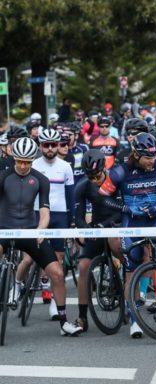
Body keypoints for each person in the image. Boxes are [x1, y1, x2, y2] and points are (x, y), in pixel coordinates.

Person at [99, 132, 156, 338]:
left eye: (154, 156)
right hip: (132, 223)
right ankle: (134, 320)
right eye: (148, 157)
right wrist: (127, 210)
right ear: (136, 155)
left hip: (154, 219)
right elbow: (103, 197)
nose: (152, 161)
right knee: (132, 269)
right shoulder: (120, 172)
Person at [0, 137, 82, 336]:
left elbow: (44, 211)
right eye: (19, 161)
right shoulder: (3, 176)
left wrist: (40, 230)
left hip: (30, 230)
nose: (22, 166)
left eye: (27, 162)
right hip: (3, 229)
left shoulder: (40, 179)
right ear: (13, 157)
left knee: (57, 273)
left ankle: (63, 322)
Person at [28, 128, 75, 317]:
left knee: (58, 259)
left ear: (58, 146)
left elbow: (70, 197)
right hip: (36, 213)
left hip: (59, 215)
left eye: (53, 145)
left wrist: (71, 222)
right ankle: (39, 281)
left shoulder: (65, 166)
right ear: (40, 146)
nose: (49, 148)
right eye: (45, 145)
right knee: (35, 255)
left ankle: (55, 302)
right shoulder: (33, 165)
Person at [73, 150, 122, 332]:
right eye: (90, 177)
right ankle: (82, 317)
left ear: (104, 168)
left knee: (115, 244)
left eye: (97, 176)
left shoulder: (116, 180)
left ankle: (128, 282)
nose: (94, 180)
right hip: (97, 227)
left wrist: (105, 225)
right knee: (83, 266)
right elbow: (78, 217)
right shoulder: (83, 186)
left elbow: (121, 210)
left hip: (116, 225)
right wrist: (86, 230)